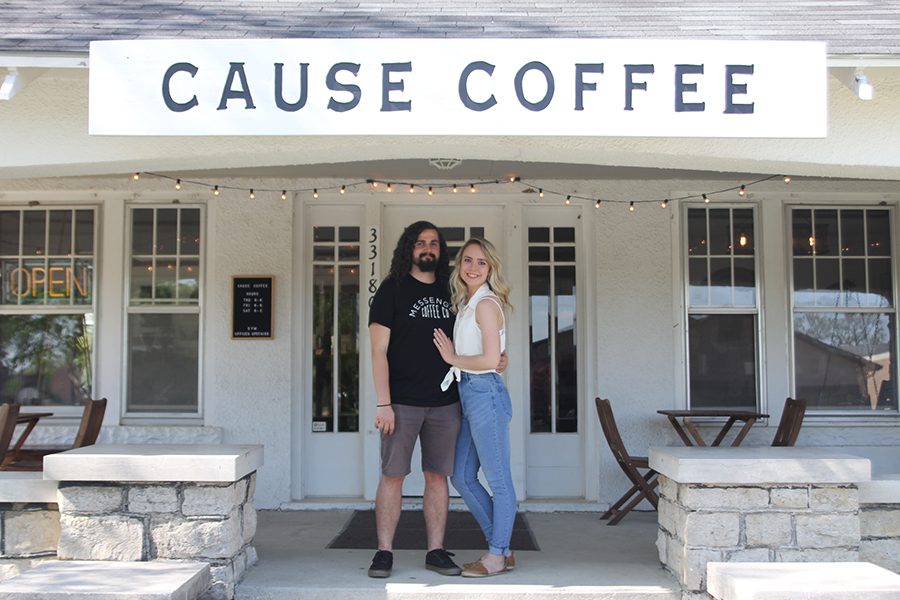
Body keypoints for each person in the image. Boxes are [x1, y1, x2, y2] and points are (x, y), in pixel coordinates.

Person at [366, 221, 463, 579]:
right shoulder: (391, 290)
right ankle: (384, 552)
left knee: (438, 478)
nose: (428, 249)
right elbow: (378, 351)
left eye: (434, 243)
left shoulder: (451, 290)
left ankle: (435, 551)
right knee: (393, 476)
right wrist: (383, 402)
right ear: (409, 247)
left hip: (446, 402)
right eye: (421, 242)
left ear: (441, 250)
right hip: (401, 403)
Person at [433, 237, 516, 578]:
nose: (473, 267)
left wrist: (453, 358)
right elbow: (495, 357)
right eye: (468, 260)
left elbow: (489, 359)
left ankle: (496, 555)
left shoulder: (485, 304)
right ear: (459, 265)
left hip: (485, 395)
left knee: (498, 480)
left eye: (481, 262)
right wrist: (489, 360)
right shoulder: (468, 303)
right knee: (463, 477)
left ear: (491, 267)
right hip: (469, 392)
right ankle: (502, 548)